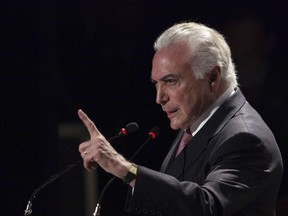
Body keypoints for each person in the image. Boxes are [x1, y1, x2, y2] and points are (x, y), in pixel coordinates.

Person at [78, 22, 283, 216]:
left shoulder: (245, 138)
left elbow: (206, 206)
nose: (159, 98)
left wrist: (124, 169)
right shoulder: (195, 121)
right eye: (156, 84)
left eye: (170, 81)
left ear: (212, 78)